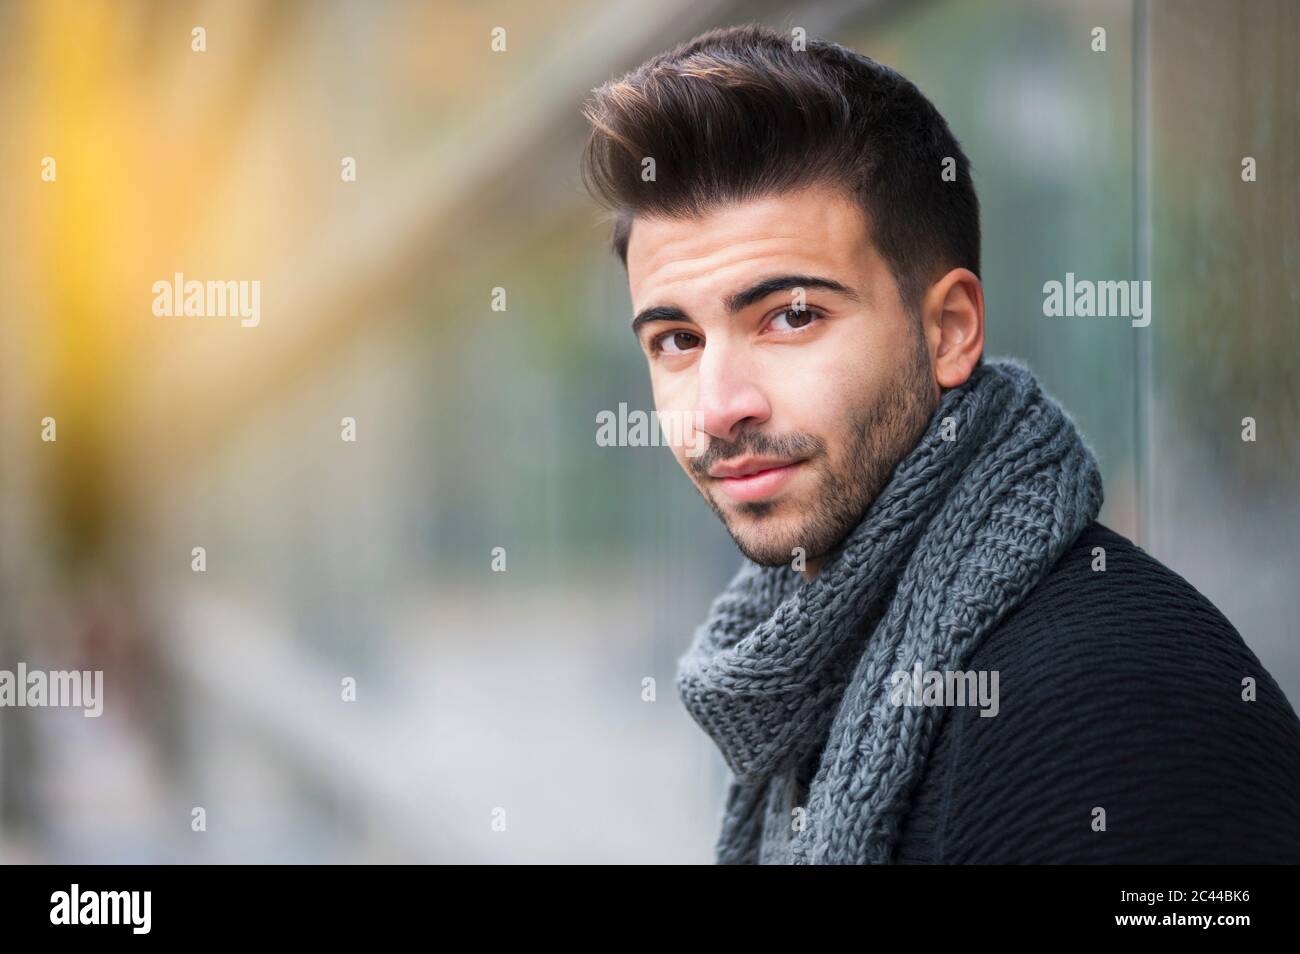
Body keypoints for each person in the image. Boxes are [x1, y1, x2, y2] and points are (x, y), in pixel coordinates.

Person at [579, 23, 1300, 864]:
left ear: (951, 330)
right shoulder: (806, 683)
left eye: (792, 316)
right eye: (676, 340)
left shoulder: (1109, 711)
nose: (718, 408)